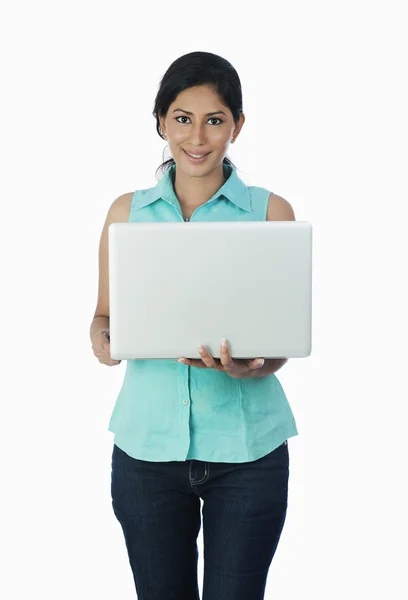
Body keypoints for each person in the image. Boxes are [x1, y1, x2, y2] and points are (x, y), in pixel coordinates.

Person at [90, 51, 299, 600]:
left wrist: (254, 366)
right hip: (146, 453)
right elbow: (102, 318)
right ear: (161, 122)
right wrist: (105, 342)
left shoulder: (269, 213)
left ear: (237, 125)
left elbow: (280, 341)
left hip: (249, 452)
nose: (198, 137)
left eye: (215, 119)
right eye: (182, 118)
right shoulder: (125, 213)